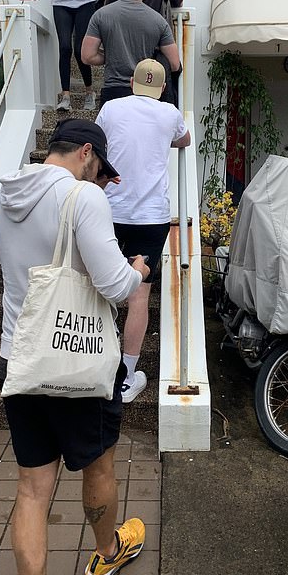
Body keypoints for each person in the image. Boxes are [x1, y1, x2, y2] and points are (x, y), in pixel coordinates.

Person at [0, 118, 151, 575]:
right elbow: (113, 285)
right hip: (76, 359)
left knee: (32, 489)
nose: (100, 180)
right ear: (86, 152)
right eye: (100, 169)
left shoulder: (6, 197)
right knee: (98, 464)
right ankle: (106, 553)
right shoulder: (83, 197)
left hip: (19, 356)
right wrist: (137, 270)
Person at [96, 59, 191, 402]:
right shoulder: (169, 113)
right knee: (139, 296)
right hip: (151, 217)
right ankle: (126, 376)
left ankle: (97, 362)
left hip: (110, 210)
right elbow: (186, 140)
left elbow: (98, 142)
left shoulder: (110, 108)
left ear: (132, 83)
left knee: (100, 286)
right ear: (162, 88)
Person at [81, 0, 181, 106]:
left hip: (113, 92)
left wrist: (111, 56)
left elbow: (87, 56)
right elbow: (174, 64)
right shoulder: (159, 22)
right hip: (146, 92)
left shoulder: (101, 15)